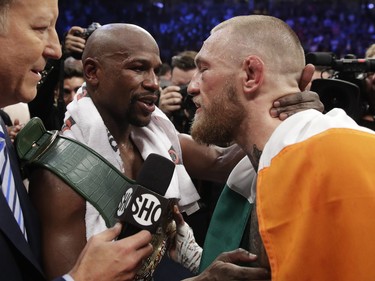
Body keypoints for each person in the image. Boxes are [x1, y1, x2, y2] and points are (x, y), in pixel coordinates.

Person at [27, 22, 323, 281]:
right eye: (138, 68)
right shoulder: (62, 174)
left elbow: (220, 161)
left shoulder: (153, 134)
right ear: (92, 72)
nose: (153, 84)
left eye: (156, 70)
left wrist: (278, 111)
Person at [185, 14, 375, 280]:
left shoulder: (332, 159)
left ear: (251, 74)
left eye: (203, 69)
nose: (192, 86)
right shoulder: (255, 171)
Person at [0, 1, 158, 280]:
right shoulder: (59, 176)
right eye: (40, 28)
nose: (56, 49)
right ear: (92, 73)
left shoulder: (2, 136)